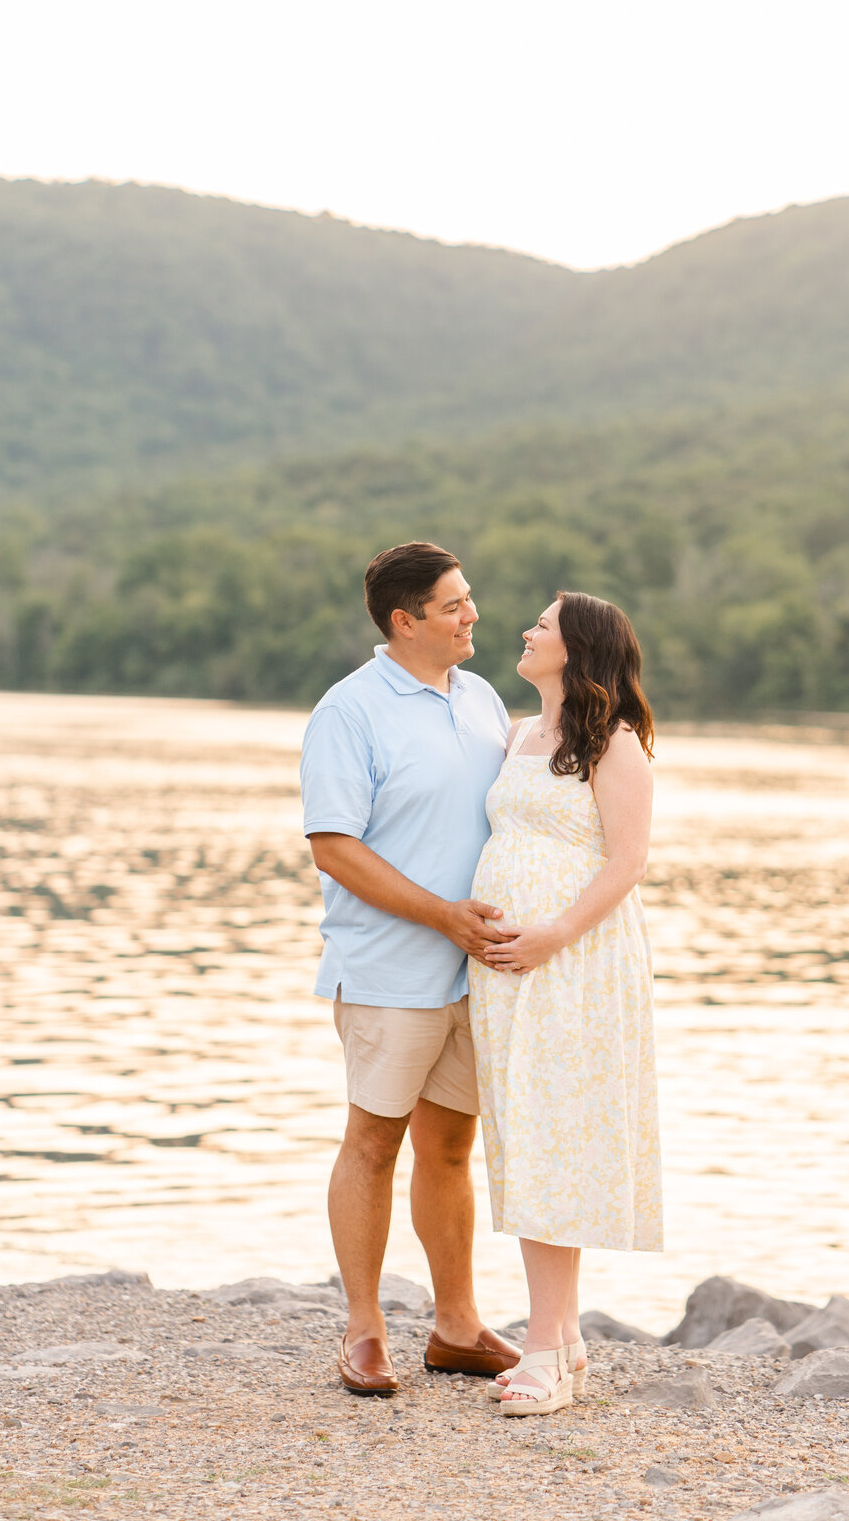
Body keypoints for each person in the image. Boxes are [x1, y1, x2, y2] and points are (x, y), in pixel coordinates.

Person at [300, 540, 521, 1396]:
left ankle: (457, 1326)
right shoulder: (349, 711)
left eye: (469, 598)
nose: (473, 614)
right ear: (406, 621)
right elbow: (334, 847)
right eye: (455, 604)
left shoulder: (481, 698)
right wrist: (440, 915)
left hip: (477, 972)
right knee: (373, 1140)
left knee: (452, 1147)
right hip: (390, 967)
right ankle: (363, 1331)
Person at [469, 591, 663, 1416]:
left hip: (574, 965)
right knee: (524, 1135)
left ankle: (546, 1349)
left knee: (555, 1139)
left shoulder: (614, 744)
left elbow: (626, 864)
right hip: (506, 971)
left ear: (577, 646)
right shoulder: (520, 734)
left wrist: (552, 934)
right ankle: (567, 1341)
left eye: (542, 625)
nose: (525, 631)